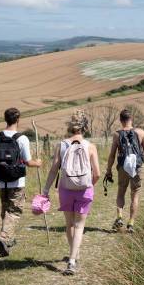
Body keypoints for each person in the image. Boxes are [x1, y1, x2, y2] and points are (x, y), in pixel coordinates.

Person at [43, 110, 100, 275]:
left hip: (65, 188)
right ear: (85, 127)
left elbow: (54, 169)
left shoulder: (61, 145)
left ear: (70, 127)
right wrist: (89, 185)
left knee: (69, 224)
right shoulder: (90, 146)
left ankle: (73, 254)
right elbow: (96, 173)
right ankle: (72, 260)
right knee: (79, 225)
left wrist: (46, 190)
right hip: (84, 189)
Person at [0, 107, 41, 257]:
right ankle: (3, 238)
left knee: (6, 210)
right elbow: (28, 162)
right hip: (17, 181)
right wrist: (38, 163)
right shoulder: (22, 139)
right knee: (14, 211)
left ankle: (9, 238)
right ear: (18, 120)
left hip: (1, 180)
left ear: (5, 119)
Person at [105, 109, 144, 233]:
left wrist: (108, 170)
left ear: (120, 120)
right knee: (135, 194)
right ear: (131, 119)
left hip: (123, 166)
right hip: (137, 166)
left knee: (121, 192)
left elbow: (112, 155)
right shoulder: (140, 132)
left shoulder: (116, 134)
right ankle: (130, 223)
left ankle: (119, 217)